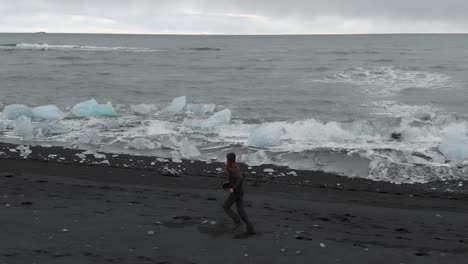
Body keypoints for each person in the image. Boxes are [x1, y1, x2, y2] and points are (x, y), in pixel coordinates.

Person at [222, 152, 255, 234]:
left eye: (227, 159)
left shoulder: (231, 169)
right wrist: (228, 183)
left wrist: (233, 188)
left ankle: (237, 222)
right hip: (240, 192)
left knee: (226, 206)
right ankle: (250, 228)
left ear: (228, 160)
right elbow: (239, 177)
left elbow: (240, 179)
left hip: (236, 192)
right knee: (241, 211)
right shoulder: (235, 166)